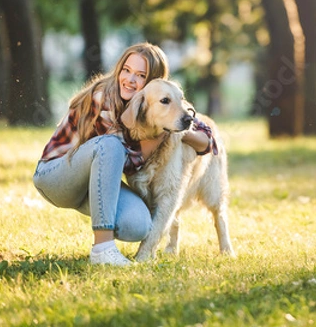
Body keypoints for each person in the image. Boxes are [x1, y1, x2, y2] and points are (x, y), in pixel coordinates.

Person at [33, 42, 215, 266]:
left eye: (140, 75)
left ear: (153, 84)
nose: (129, 79)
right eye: (126, 70)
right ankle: (103, 248)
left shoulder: (157, 101)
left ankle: (108, 244)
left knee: (138, 224)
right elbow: (129, 160)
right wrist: (165, 133)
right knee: (111, 146)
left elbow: (206, 140)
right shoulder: (104, 99)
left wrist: (179, 128)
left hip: (92, 184)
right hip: (56, 177)